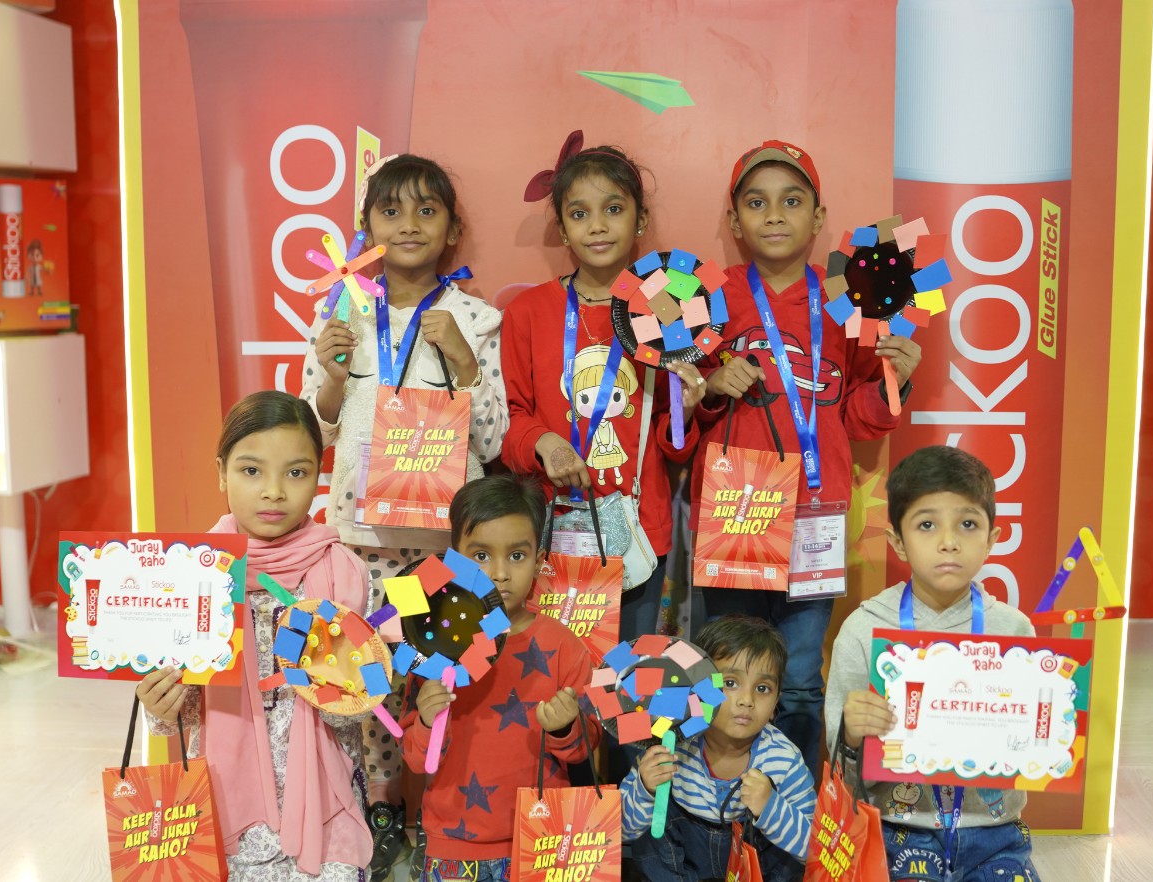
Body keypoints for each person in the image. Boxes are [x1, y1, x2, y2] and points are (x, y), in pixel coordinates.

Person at [300, 153, 507, 875]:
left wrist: (466, 365)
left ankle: (445, 812)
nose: (409, 224)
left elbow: (493, 441)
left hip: (442, 541)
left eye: (427, 210)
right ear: (367, 229)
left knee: (445, 678)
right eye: (391, 211)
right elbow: (314, 431)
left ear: (452, 228)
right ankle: (383, 808)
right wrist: (331, 377)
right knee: (371, 680)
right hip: (364, 539)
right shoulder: (342, 312)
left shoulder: (476, 318)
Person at [695, 140, 923, 774]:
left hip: (814, 513)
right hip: (735, 512)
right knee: (727, 671)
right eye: (757, 203)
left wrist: (895, 380)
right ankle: (719, 798)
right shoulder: (708, 297)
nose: (774, 215)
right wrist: (710, 387)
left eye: (792, 201)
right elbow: (677, 409)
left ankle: (792, 800)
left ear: (818, 217)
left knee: (797, 675)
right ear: (734, 221)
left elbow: (857, 416)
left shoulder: (848, 297)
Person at [135, 390, 377, 880]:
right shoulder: (191, 574)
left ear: (318, 475)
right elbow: (177, 712)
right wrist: (160, 704)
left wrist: (348, 686)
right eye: (251, 471)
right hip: (228, 807)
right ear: (221, 473)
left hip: (327, 808)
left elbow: (363, 705)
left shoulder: (344, 572)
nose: (274, 491)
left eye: (296, 472)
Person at [502, 130, 705, 644]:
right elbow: (509, 421)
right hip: (550, 531)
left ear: (640, 220)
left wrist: (685, 409)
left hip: (639, 533)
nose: (597, 225)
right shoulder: (528, 313)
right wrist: (545, 442)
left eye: (613, 209)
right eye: (579, 213)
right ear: (563, 230)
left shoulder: (668, 311)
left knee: (625, 677)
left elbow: (676, 448)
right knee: (549, 670)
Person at [825, 445, 1041, 882]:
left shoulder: (1013, 630)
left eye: (968, 524)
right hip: (896, 830)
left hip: (996, 833)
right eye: (927, 525)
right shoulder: (865, 629)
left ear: (992, 539)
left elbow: (1033, 746)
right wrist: (850, 730)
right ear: (897, 543)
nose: (949, 541)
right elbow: (838, 757)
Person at [400, 475, 601, 882]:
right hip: (453, 848)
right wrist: (426, 720)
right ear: (452, 560)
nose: (500, 573)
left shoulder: (564, 645)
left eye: (517, 555)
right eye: (480, 556)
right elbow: (416, 759)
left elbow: (586, 748)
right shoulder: (431, 643)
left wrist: (565, 727)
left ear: (539, 560)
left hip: (543, 843)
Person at [621, 615, 815, 882]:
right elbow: (621, 831)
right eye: (730, 683)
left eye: (763, 688)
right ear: (698, 688)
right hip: (684, 863)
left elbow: (816, 851)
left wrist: (771, 808)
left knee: (789, 860)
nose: (747, 700)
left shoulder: (784, 760)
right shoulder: (671, 740)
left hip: (755, 866)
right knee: (651, 829)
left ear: (775, 704)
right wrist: (645, 788)